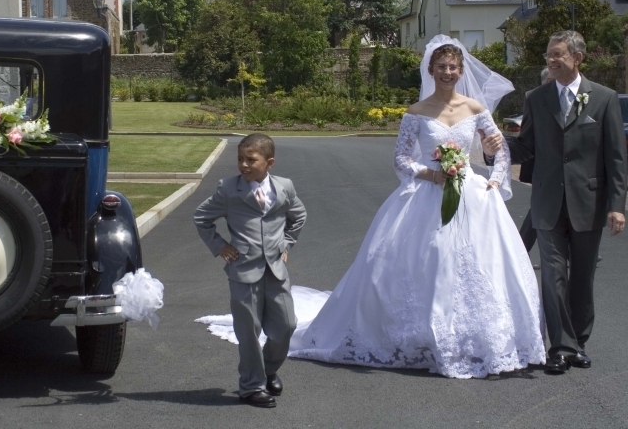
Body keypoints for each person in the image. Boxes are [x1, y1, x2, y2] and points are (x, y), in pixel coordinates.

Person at [197, 36, 546, 379]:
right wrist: (428, 173)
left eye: (453, 67)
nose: (448, 72)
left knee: (476, 268)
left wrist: (495, 182)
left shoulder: (476, 109)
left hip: (471, 196)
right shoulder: (417, 112)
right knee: (427, 264)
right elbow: (400, 160)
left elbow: (499, 150)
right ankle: (424, 337)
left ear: (460, 70)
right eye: (441, 66)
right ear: (431, 69)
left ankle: (474, 338)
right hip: (427, 194)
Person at [483, 30, 626, 374]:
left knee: (582, 277)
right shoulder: (537, 97)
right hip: (548, 201)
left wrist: (617, 205)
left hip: (588, 201)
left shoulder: (604, 99)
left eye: (558, 54)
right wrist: (495, 149)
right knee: (552, 275)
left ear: (578, 58)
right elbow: (527, 146)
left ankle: (579, 342)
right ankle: (560, 347)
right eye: (549, 54)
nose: (551, 59)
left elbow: (616, 158)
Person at [194, 133, 307, 408]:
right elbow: (202, 217)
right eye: (240, 159)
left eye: (250, 160)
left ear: (269, 162)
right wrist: (220, 246)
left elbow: (298, 215)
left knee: (286, 325)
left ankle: (268, 369)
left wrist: (287, 243)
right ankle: (251, 386)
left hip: (276, 269)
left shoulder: (284, 187)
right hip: (243, 270)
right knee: (248, 331)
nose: (243, 165)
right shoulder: (229, 189)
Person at [518, 67, 552, 258]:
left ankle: (520, 249)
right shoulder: (535, 101)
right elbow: (527, 137)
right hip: (541, 167)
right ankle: (520, 249)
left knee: (542, 209)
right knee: (539, 209)